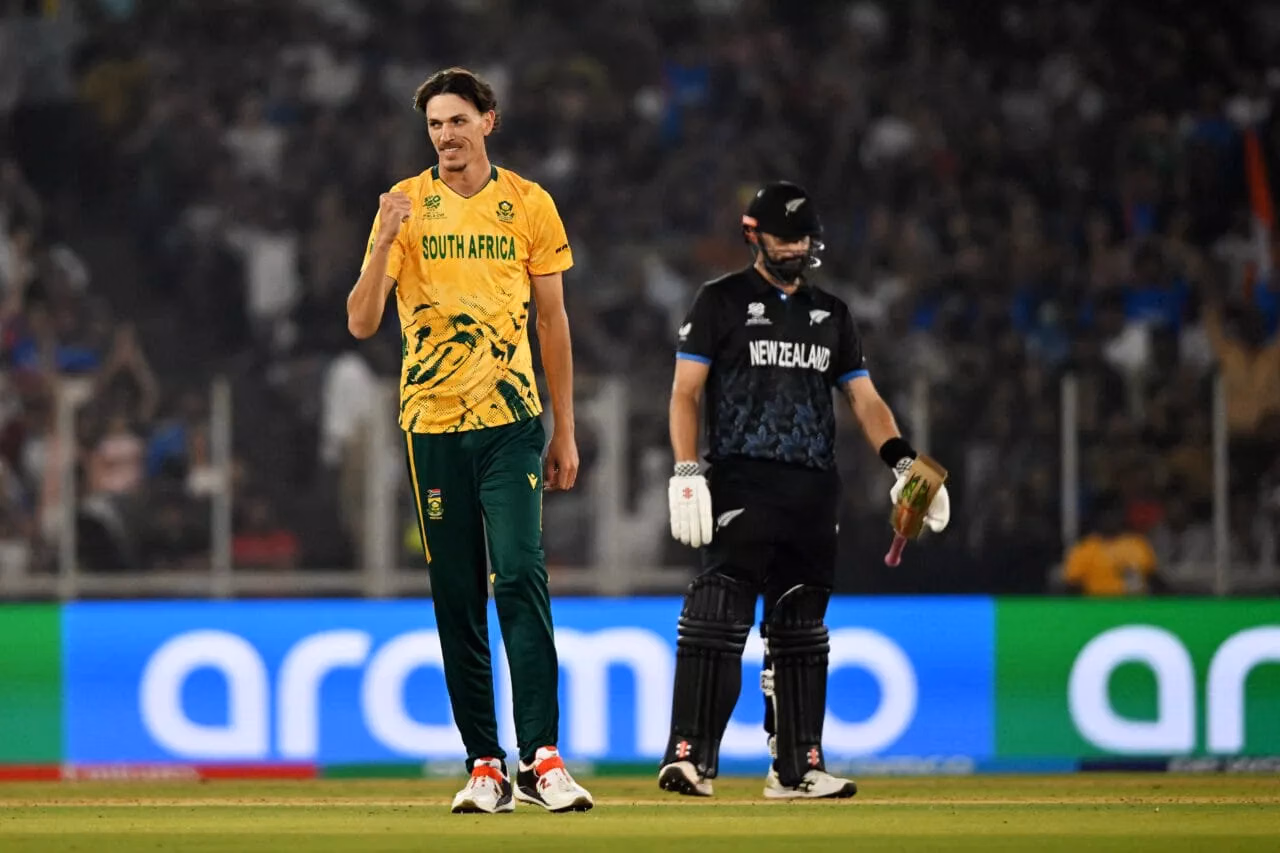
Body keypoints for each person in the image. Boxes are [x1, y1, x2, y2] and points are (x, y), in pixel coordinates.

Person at [346, 67, 591, 815]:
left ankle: (542, 757)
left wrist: (565, 426)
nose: (445, 136)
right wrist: (383, 239)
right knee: (457, 595)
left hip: (512, 421)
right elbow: (360, 322)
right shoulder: (402, 205)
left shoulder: (529, 204)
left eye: (457, 120)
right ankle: (484, 763)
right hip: (432, 428)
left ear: (490, 120)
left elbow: (553, 321)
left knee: (519, 574)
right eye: (434, 125)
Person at [659, 182, 951, 799]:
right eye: (783, 237)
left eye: (803, 238)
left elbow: (864, 399)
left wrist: (903, 464)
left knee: (800, 629)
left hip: (814, 489)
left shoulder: (833, 314)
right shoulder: (720, 301)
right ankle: (690, 758)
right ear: (752, 233)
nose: (794, 248)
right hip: (740, 477)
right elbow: (686, 393)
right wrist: (687, 472)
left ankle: (797, 768)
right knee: (717, 614)